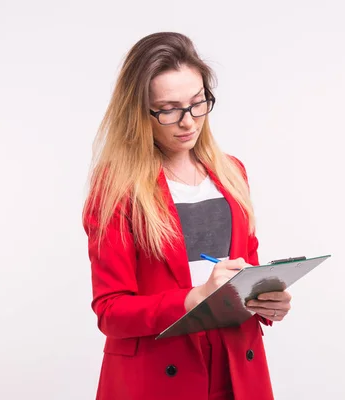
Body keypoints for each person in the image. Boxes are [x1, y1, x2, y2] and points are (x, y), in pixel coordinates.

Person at [82, 32, 292, 400]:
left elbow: (246, 268)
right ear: (139, 112)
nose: (188, 121)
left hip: (236, 369)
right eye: (169, 109)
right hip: (159, 375)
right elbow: (110, 310)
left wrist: (267, 302)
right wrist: (192, 299)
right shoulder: (116, 188)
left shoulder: (231, 172)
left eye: (198, 103)